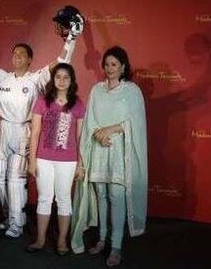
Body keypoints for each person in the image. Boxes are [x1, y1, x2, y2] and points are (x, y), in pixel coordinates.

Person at [0, 7, 84, 238]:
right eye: (14, 54)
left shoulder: (36, 78)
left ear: (29, 59)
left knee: (15, 179)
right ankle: (11, 216)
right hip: (5, 129)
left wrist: (71, 40)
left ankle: (17, 225)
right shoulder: (3, 78)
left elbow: (61, 63)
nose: (17, 56)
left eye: (21, 54)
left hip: (24, 131)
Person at [70, 46, 148, 267]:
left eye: (114, 64)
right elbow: (90, 120)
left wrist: (110, 130)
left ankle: (116, 247)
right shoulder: (97, 90)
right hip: (99, 149)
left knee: (116, 196)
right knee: (101, 195)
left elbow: (136, 123)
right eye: (107, 64)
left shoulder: (132, 91)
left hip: (120, 153)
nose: (110, 68)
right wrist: (99, 134)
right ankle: (102, 239)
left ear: (123, 67)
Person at [25, 63, 85, 256]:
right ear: (53, 79)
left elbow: (80, 137)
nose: (61, 80)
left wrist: (81, 164)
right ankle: (40, 239)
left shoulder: (78, 104)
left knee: (64, 199)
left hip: (68, 161)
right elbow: (34, 133)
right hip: (43, 159)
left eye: (65, 77)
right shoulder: (42, 101)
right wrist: (32, 161)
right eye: (58, 77)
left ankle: (61, 241)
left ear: (71, 81)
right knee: (44, 198)